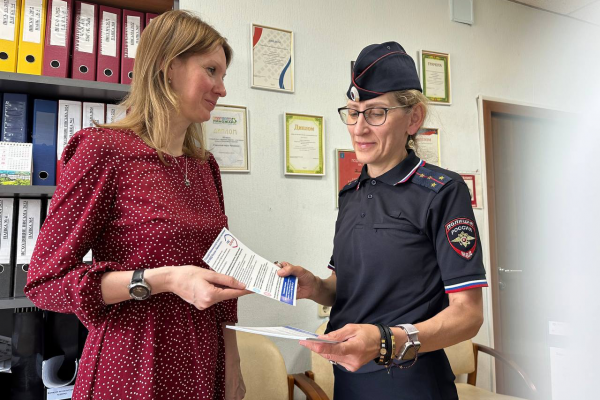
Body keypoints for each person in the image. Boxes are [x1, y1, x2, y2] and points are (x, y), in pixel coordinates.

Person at [25, 10, 248, 400]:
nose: (221, 88)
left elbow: (220, 269)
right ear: (167, 67)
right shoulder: (103, 151)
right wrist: (164, 280)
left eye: (223, 76)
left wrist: (233, 362)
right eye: (211, 71)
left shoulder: (205, 166)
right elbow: (45, 283)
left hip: (203, 363)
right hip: (132, 367)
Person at [277, 42, 488, 399]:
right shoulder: (351, 194)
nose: (359, 128)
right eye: (353, 112)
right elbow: (346, 285)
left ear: (414, 118)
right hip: (349, 380)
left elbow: (468, 315)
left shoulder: (441, 192)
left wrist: (386, 342)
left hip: (412, 383)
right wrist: (315, 286)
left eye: (375, 113)